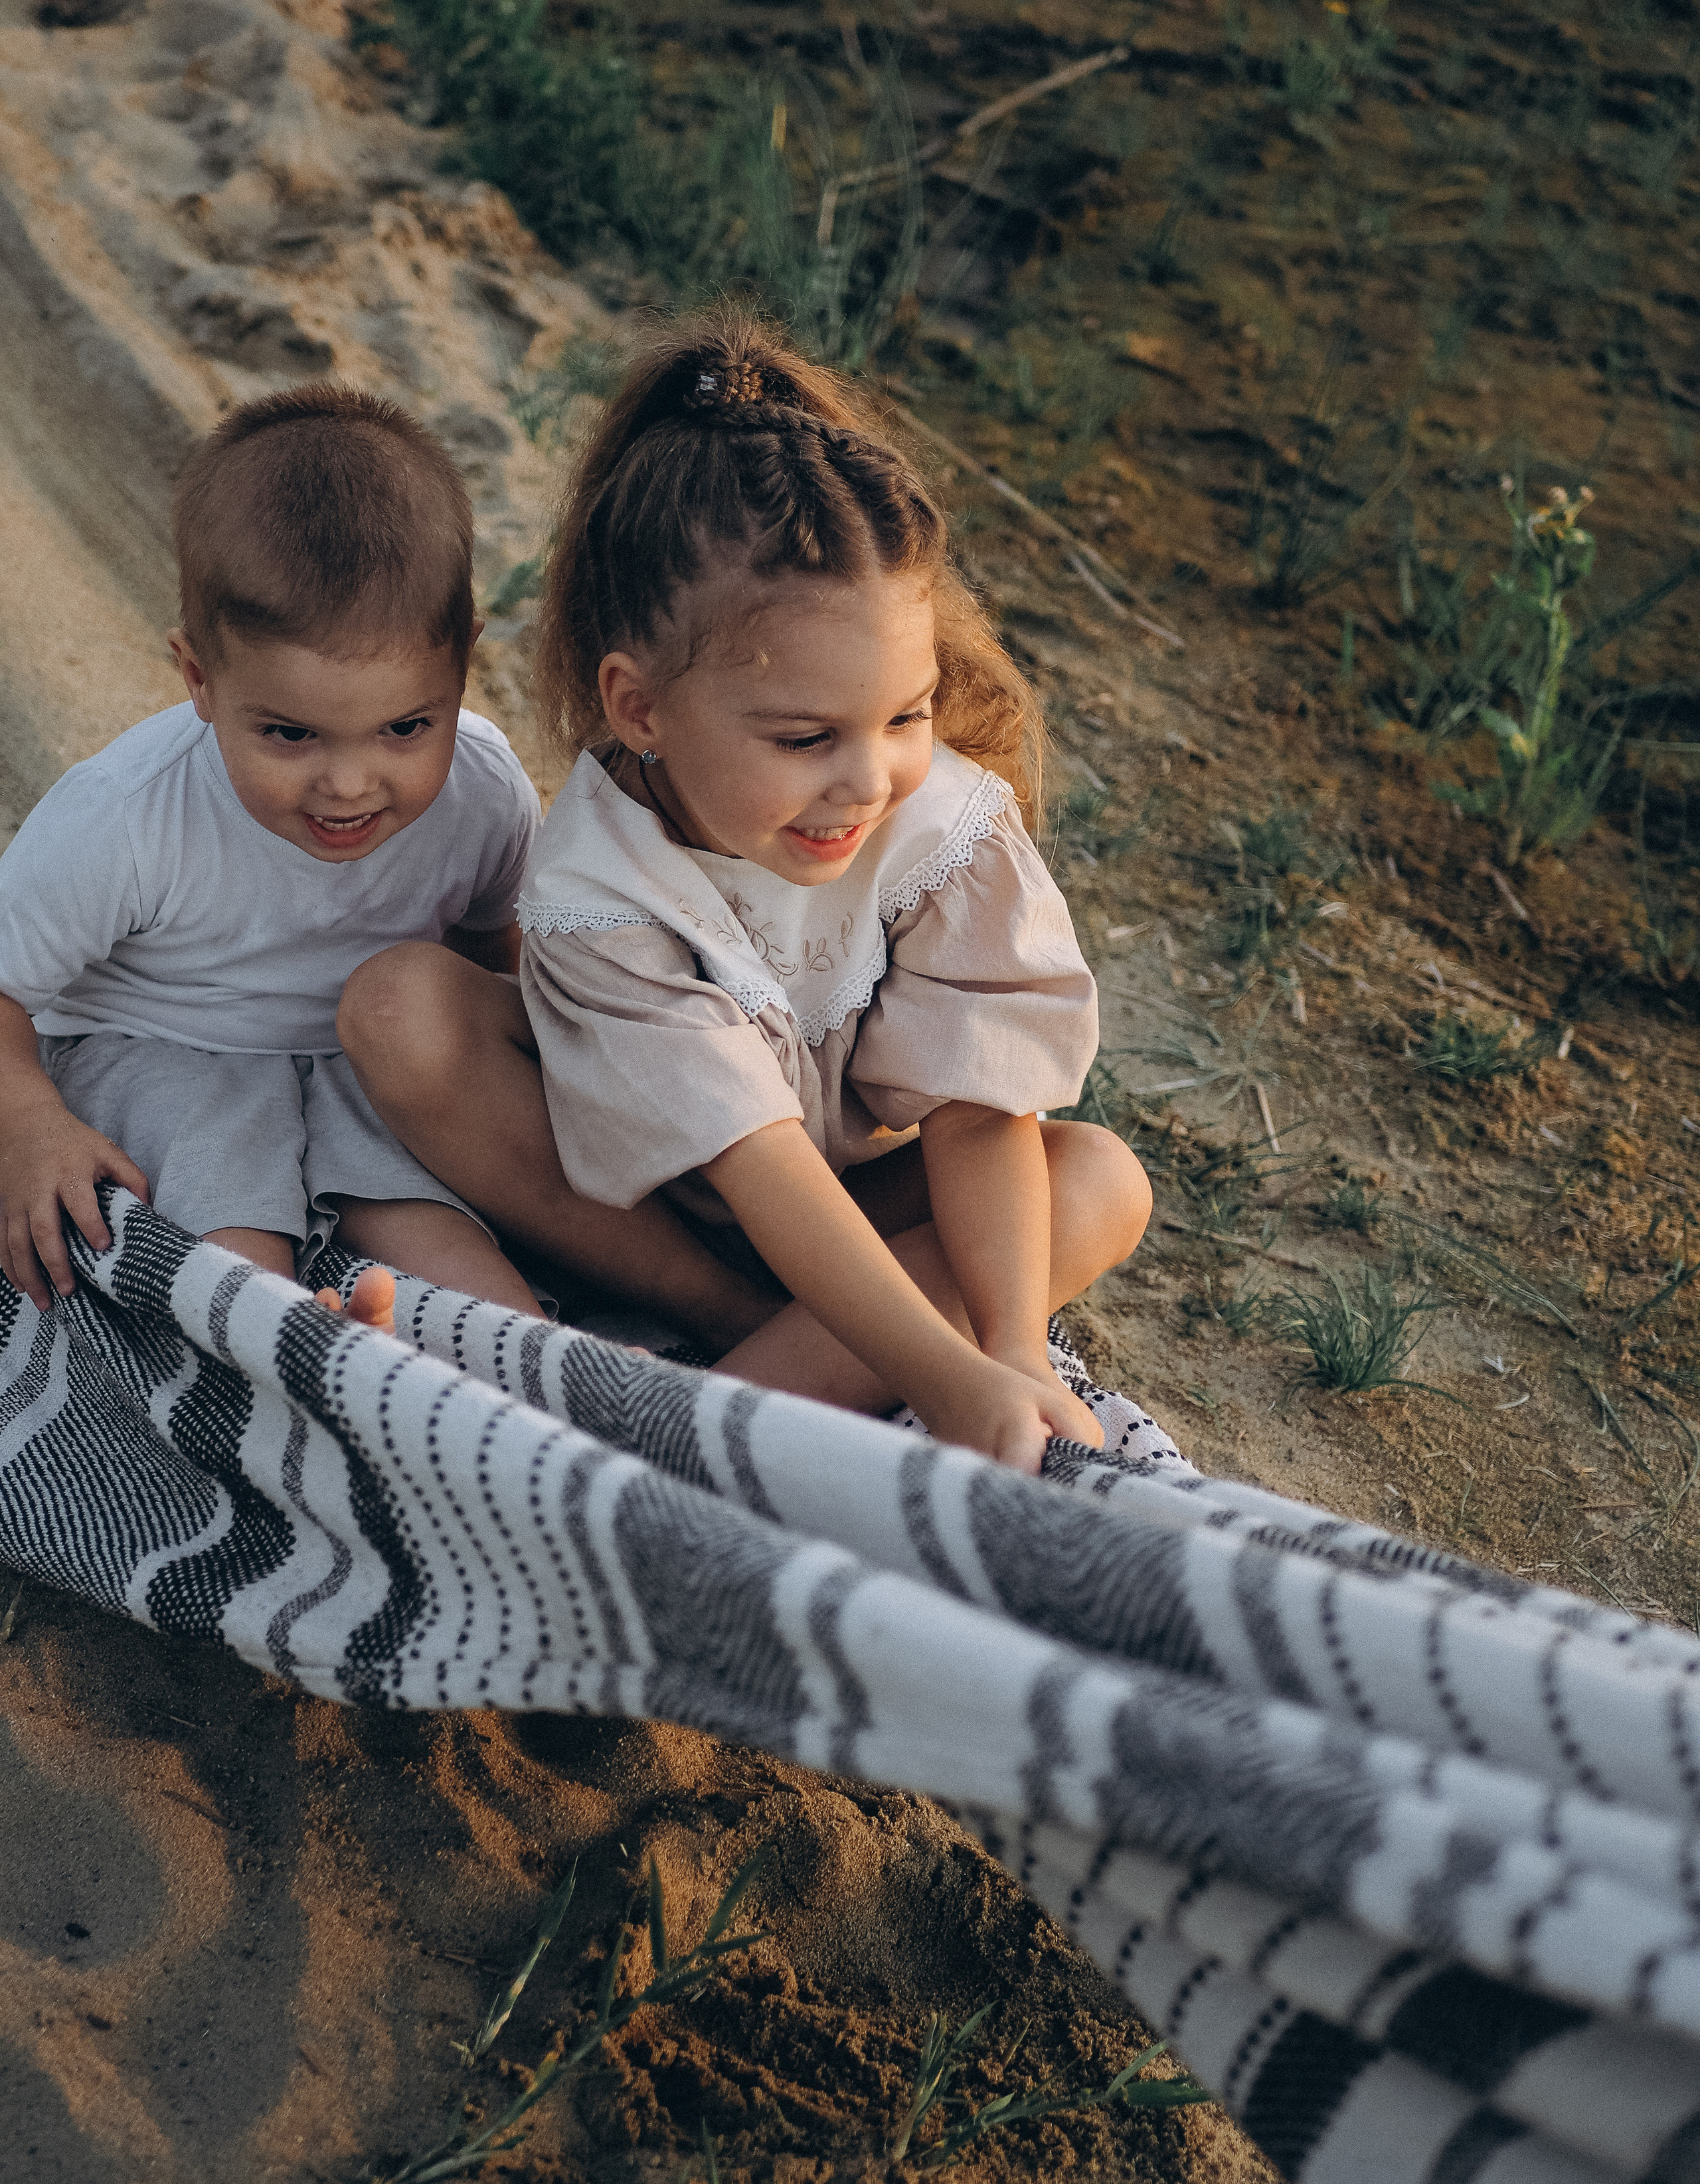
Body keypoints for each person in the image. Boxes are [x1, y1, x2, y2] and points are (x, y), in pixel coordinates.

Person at [339, 315, 1152, 1469]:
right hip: (654, 1214)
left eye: (906, 715)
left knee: (1099, 1181)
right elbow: (754, 1159)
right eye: (805, 735)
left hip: (866, 1209)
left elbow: (979, 1110)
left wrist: (1011, 1348)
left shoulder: (940, 830)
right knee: (397, 1010)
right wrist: (939, 1373)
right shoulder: (602, 884)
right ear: (640, 709)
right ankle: (736, 1362)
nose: (866, 778)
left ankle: (767, 1379)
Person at [0, 383, 771, 1347]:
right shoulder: (127, 815)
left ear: (462, 665)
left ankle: (526, 1370)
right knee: (230, 1241)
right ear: (199, 677)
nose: (350, 784)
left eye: (408, 725)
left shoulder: (482, 790)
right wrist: (27, 1123)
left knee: (445, 1234)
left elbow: (490, 956)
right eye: (290, 733)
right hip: (167, 1041)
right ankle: (291, 1352)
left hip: (359, 1058)